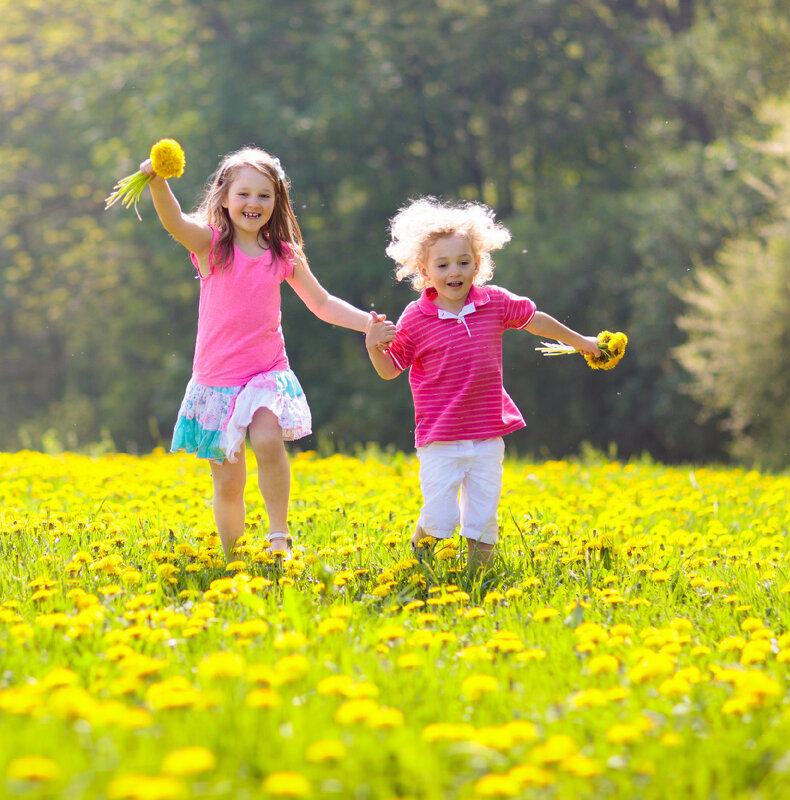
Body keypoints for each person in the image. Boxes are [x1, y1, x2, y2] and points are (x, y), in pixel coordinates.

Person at [141, 146, 395, 558]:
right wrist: (157, 182)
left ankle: (279, 537)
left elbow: (322, 302)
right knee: (227, 482)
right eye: (243, 194)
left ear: (277, 201)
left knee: (268, 439)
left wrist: (367, 323)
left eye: (264, 195)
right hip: (216, 382)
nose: (253, 204)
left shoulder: (282, 254)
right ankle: (233, 552)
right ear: (224, 197)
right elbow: (175, 223)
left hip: (266, 374)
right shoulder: (213, 246)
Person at [364, 197, 602, 566]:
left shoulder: (493, 302)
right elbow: (390, 368)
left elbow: (536, 320)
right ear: (424, 271)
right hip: (440, 438)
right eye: (442, 264)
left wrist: (583, 343)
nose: (454, 271)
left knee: (481, 520)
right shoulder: (415, 317)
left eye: (463, 261)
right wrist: (373, 346)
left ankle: (479, 579)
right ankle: (423, 552)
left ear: (478, 263)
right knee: (442, 520)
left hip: (488, 432)